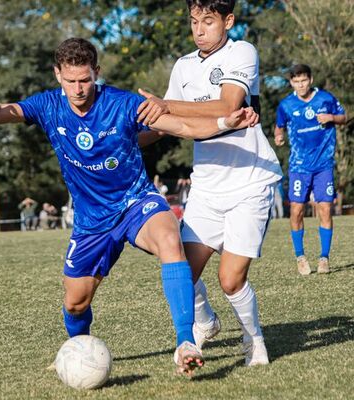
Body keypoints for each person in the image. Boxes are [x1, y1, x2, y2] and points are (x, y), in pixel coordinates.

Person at [0, 37, 258, 375]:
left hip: (136, 202)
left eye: (85, 79)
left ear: (96, 73)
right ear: (57, 74)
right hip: (91, 220)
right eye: (70, 81)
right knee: (75, 302)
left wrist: (223, 124)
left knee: (171, 240)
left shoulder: (122, 103)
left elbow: (183, 127)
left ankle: (185, 340)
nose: (78, 88)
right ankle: (78, 349)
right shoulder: (47, 106)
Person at [137, 0, 283, 366]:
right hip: (206, 188)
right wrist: (117, 141)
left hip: (251, 182)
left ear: (228, 21)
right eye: (193, 21)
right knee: (181, 271)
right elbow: (161, 122)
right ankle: (205, 321)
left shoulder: (242, 52)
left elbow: (226, 106)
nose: (199, 29)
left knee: (230, 280)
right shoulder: (183, 66)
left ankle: (255, 340)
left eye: (208, 21)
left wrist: (167, 106)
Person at [274, 64, 347, 275]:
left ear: (311, 80)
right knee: (296, 210)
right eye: (296, 82)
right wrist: (279, 136)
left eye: (303, 80)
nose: (300, 85)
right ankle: (300, 256)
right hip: (299, 166)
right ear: (291, 83)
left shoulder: (325, 99)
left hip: (323, 164)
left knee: (325, 209)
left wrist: (331, 118)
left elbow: (343, 117)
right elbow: (279, 125)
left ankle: (324, 258)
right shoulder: (286, 105)